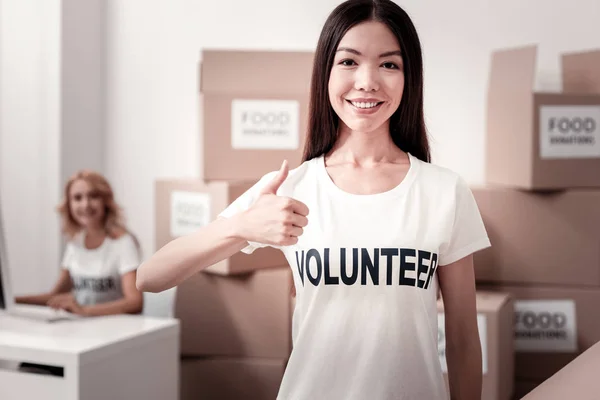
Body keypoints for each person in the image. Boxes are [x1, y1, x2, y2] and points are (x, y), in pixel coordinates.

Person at [137, 1, 490, 399]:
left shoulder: (443, 191)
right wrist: (240, 226)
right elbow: (151, 276)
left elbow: (462, 339)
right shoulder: (293, 187)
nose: (368, 81)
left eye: (389, 65)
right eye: (349, 62)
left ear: (410, 79)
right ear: (325, 72)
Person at [16, 169, 144, 317]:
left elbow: (135, 302)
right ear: (69, 205)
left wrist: (85, 311)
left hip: (116, 329)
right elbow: (55, 296)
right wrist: (12, 300)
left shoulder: (122, 242)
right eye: (77, 198)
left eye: (93, 196)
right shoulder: (75, 242)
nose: (85, 204)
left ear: (105, 201)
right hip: (82, 328)